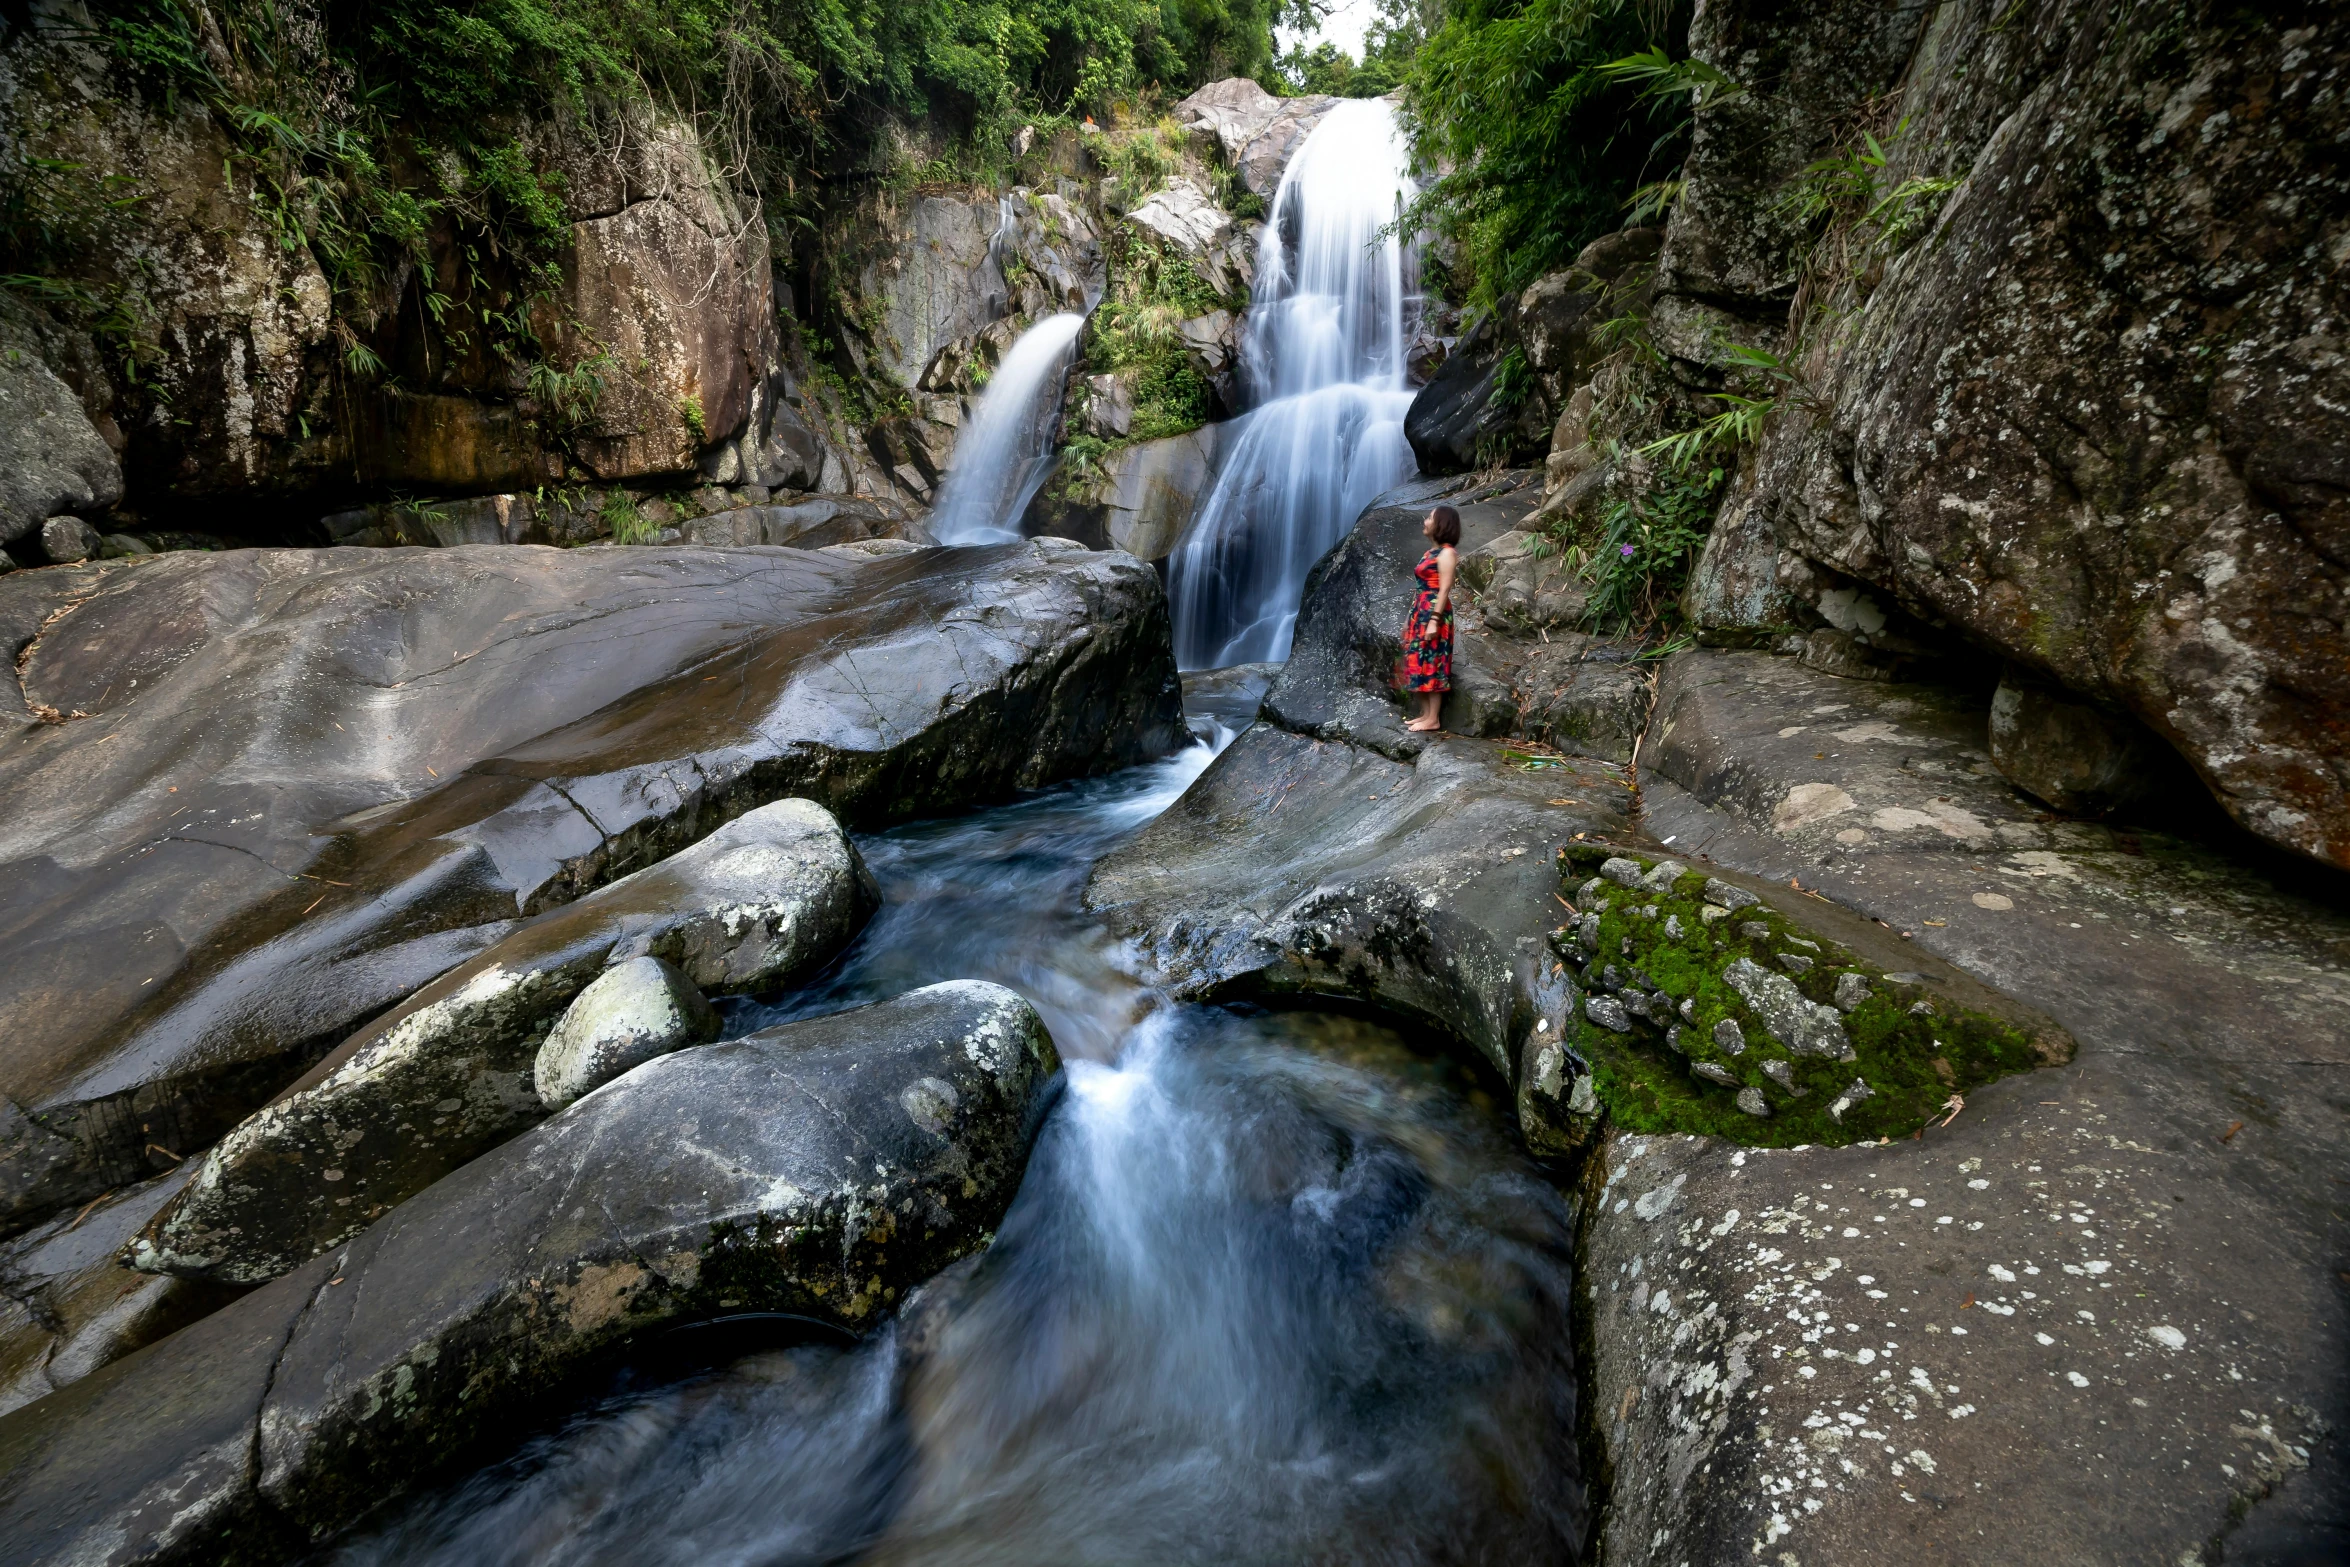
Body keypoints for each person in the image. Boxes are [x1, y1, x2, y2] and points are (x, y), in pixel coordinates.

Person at [1398, 504, 1459, 732]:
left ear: (1441, 523)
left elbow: (1444, 589)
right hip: (1420, 611)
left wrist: (1434, 619)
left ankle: (1433, 718)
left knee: (1433, 661)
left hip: (1435, 613)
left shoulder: (1447, 554)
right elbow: (1419, 588)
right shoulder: (1428, 554)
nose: (1425, 521)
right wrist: (1408, 618)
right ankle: (1424, 714)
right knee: (1418, 660)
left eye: (1430, 518)